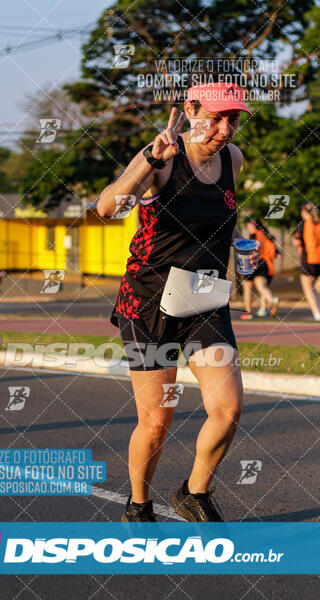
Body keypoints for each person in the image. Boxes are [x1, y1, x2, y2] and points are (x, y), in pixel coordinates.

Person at [97, 62, 259, 522]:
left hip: (204, 298)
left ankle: (193, 492)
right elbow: (107, 207)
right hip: (148, 302)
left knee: (227, 409)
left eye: (235, 119)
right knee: (156, 420)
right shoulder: (161, 158)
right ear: (190, 109)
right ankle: (138, 504)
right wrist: (151, 161)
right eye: (219, 116)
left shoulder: (233, 160)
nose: (226, 128)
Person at [240, 217, 280, 320]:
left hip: (253, 262)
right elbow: (277, 253)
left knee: (248, 288)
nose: (248, 226)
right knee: (261, 286)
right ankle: (270, 301)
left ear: (252, 225)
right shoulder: (266, 235)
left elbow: (250, 249)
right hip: (265, 264)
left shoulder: (253, 235)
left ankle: (248, 313)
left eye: (249, 224)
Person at [293, 202, 320, 321]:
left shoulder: (304, 223)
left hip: (308, 259)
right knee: (314, 286)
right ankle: (318, 309)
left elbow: (298, 241)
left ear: (304, 212)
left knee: (308, 288)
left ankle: (316, 312)